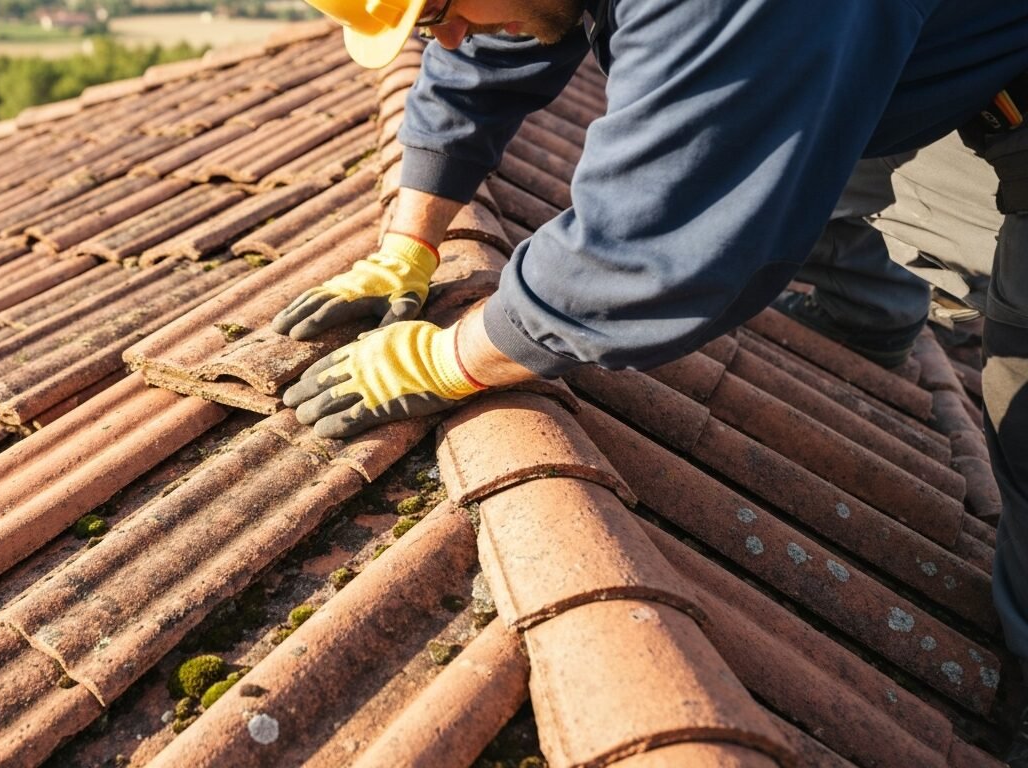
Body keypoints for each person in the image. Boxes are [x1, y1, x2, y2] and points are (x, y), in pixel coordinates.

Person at [269, 0, 1028, 759]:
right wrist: (409, 240)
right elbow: (486, 56)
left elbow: (648, 243)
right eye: (429, 28)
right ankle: (872, 321)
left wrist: (446, 361)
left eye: (438, 11)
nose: (452, 35)